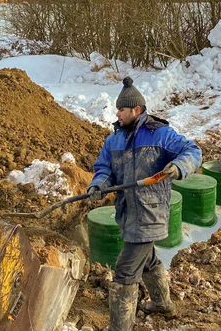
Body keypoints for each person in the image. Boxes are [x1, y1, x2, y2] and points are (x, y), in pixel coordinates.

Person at [88, 77, 202, 331]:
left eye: (122, 109)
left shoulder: (159, 134)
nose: (117, 114)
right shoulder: (114, 140)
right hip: (128, 212)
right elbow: (104, 167)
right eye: (117, 109)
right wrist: (99, 185)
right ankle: (163, 304)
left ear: (137, 110)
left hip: (150, 212)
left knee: (125, 273)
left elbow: (192, 150)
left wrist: (178, 166)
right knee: (148, 260)